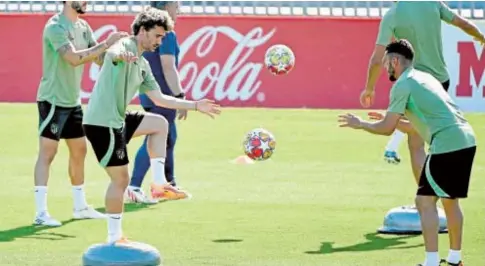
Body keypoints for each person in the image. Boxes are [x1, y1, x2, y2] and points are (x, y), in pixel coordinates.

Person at [82, 7, 221, 243]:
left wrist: (195, 105)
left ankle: (158, 184)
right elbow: (113, 52)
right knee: (120, 181)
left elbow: (160, 99)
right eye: (157, 35)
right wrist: (118, 55)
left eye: (163, 37)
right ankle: (114, 237)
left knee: (159, 123)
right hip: (101, 123)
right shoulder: (126, 46)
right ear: (143, 31)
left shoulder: (143, 65)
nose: (160, 40)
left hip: (117, 119)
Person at [339, 40, 476, 266]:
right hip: (465, 138)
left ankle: (431, 262)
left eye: (385, 62)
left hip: (446, 143)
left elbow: (386, 129)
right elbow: (416, 126)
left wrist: (360, 123)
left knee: (423, 201)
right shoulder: (425, 78)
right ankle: (455, 259)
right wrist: (389, 121)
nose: (384, 67)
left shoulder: (402, 85)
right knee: (450, 202)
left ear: (395, 61)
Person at [34, 0, 128, 227]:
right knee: (48, 152)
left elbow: (97, 57)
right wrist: (107, 43)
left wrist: (120, 54)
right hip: (53, 100)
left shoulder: (83, 27)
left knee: (79, 150)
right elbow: (74, 58)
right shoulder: (55, 26)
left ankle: (80, 207)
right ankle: (40, 213)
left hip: (72, 101)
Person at [360, 1, 485, 168]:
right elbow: (462, 22)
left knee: (416, 144)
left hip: (415, 83)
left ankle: (427, 191)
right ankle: (443, 184)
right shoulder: (432, 3)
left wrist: (369, 88)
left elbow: (377, 60)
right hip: (440, 81)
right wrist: (480, 36)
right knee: (441, 134)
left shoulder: (393, 14)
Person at [127, 1, 185, 204]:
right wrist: (179, 96)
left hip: (149, 93)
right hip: (162, 94)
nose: (179, 10)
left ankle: (169, 183)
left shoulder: (150, 30)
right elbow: (168, 67)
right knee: (156, 137)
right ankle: (134, 186)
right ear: (166, 7)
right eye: (176, 6)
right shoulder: (166, 33)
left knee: (169, 137)